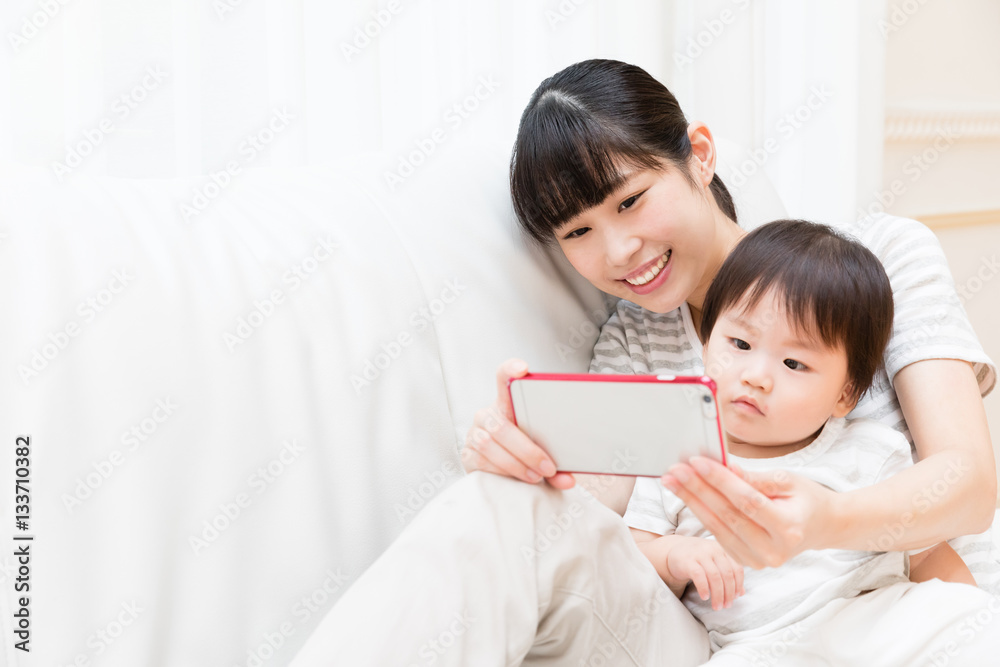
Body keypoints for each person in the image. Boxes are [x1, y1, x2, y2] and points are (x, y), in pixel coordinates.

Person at [290, 59, 998, 666]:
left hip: (898, 614)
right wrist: (523, 459)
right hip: (736, 639)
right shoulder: (634, 345)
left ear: (698, 155)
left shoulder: (877, 263)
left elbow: (966, 484)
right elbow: (594, 517)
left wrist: (823, 522)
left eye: (631, 200)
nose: (620, 251)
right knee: (495, 504)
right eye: (580, 231)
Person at [627, 218, 986, 664]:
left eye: (794, 364)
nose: (756, 376)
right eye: (739, 343)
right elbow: (631, 558)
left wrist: (972, 617)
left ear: (845, 394)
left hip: (881, 622)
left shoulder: (869, 452)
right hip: (761, 647)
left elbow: (930, 556)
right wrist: (676, 555)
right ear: (705, 342)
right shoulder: (675, 458)